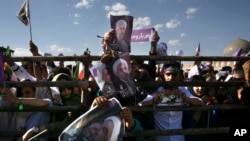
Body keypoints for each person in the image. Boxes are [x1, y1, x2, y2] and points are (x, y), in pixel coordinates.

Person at [138, 61, 203, 141]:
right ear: (163, 75)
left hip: (179, 138)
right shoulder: (157, 90)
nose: (171, 77)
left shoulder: (182, 90)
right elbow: (140, 105)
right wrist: (154, 100)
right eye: (168, 74)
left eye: (174, 74)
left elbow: (199, 101)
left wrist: (186, 99)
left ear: (179, 76)